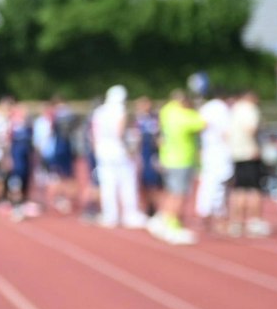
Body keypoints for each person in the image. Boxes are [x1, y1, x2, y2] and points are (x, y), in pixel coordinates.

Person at [152, 88, 204, 244]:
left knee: (171, 193)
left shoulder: (167, 112)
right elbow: (202, 123)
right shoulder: (184, 116)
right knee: (179, 194)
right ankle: (173, 226)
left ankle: (166, 221)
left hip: (168, 158)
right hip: (181, 160)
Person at [90, 84, 145, 229]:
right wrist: (129, 149)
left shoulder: (99, 112)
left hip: (103, 151)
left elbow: (94, 134)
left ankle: (110, 216)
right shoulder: (121, 111)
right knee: (127, 183)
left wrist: (97, 150)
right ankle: (130, 214)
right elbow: (120, 133)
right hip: (119, 150)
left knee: (108, 185)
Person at [226, 89, 268, 238]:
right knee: (254, 189)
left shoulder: (234, 109)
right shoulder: (250, 109)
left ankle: (236, 222)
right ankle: (254, 221)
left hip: (236, 154)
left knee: (239, 188)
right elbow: (251, 129)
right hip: (250, 153)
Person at [197, 88, 235, 231]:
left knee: (207, 181)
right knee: (221, 182)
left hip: (208, 149)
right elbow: (226, 132)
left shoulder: (205, 108)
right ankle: (219, 215)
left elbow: (200, 127)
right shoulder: (222, 109)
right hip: (221, 149)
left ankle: (204, 212)